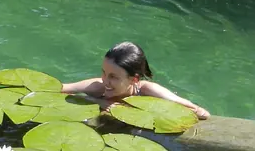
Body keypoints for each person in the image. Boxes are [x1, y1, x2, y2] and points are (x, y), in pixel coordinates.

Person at [61, 41, 210, 119]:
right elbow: (58, 90)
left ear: (134, 79)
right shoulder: (98, 88)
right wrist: (98, 101)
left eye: (113, 77)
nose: (105, 81)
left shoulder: (147, 91)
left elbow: (201, 113)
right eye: (104, 73)